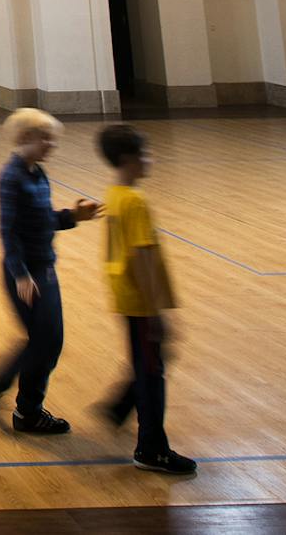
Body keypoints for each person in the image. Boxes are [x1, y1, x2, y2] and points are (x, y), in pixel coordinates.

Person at [0, 107, 99, 434]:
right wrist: (20, 274)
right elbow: (8, 231)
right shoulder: (11, 177)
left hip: (43, 268)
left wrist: (73, 217)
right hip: (27, 273)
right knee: (45, 340)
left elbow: (42, 220)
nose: (51, 145)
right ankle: (27, 411)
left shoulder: (36, 173)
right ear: (24, 138)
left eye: (52, 139)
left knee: (46, 340)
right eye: (44, 138)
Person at [95, 124, 197, 476]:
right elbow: (142, 257)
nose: (151, 160)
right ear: (129, 159)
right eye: (145, 154)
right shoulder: (136, 203)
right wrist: (156, 311)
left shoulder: (115, 195)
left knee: (149, 360)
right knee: (152, 372)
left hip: (126, 296)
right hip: (140, 301)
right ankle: (151, 448)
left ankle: (119, 406)